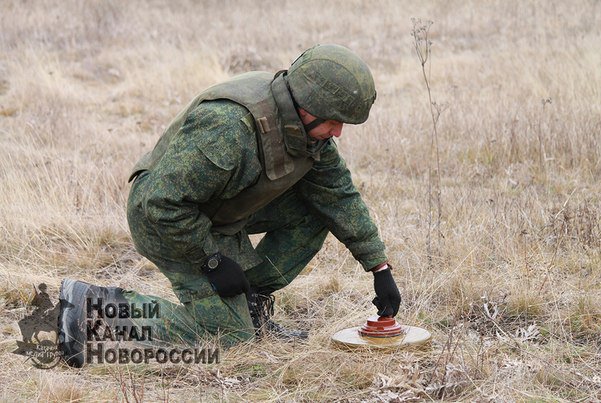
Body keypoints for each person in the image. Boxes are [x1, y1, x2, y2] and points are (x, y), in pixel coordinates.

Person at [58, 44, 401, 367]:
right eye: (333, 121)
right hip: (166, 223)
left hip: (220, 213)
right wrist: (212, 262)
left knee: (317, 208)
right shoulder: (228, 127)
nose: (337, 133)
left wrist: (379, 268)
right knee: (231, 337)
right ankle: (92, 310)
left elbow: (337, 196)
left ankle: (248, 305)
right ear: (308, 105)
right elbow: (159, 204)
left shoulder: (307, 129)